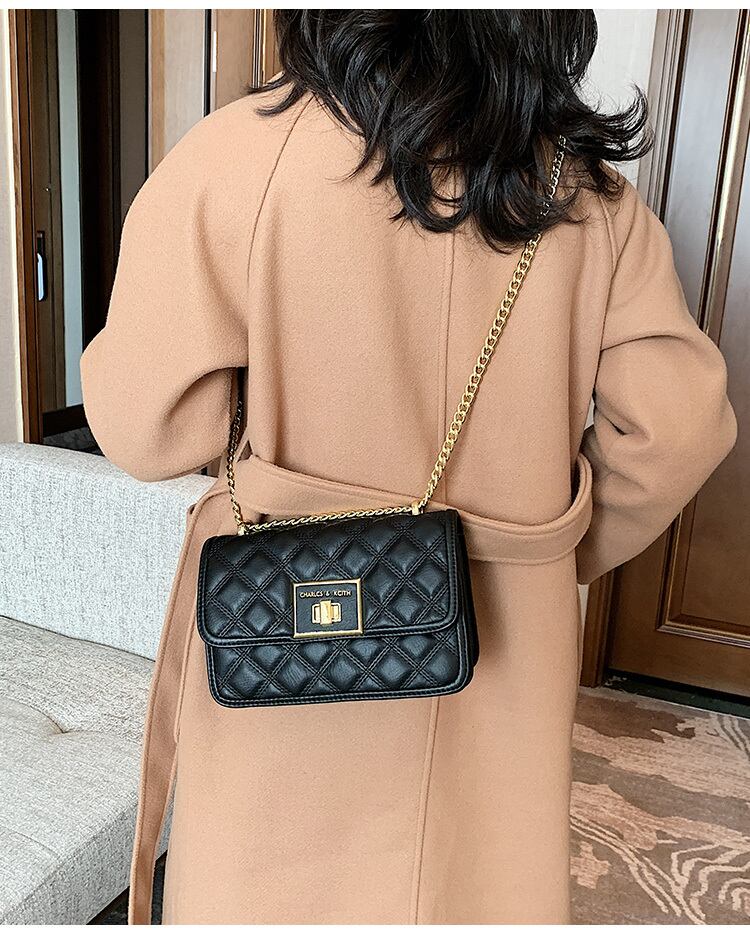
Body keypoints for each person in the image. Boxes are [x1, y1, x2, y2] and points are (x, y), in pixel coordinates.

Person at [80, 10, 736, 924]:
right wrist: (539, 558)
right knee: (481, 885)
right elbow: (677, 429)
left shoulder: (234, 159)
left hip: (284, 625)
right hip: (504, 654)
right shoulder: (588, 198)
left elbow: (147, 430)